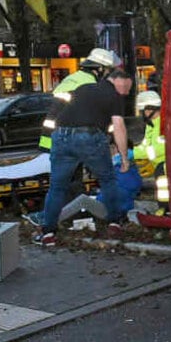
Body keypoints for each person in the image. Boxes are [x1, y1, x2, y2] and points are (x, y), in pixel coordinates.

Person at [33, 69, 132, 246]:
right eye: (127, 87)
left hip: (61, 136)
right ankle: (115, 222)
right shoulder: (113, 95)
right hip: (89, 137)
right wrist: (124, 157)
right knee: (108, 180)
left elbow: (60, 111)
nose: (127, 92)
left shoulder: (83, 88)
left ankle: (48, 232)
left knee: (56, 187)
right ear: (118, 81)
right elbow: (119, 126)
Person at [38, 47, 121, 152]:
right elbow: (101, 119)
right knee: (103, 168)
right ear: (100, 69)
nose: (107, 74)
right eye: (107, 70)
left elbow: (53, 114)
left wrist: (47, 144)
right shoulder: (92, 86)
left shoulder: (70, 79)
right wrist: (112, 140)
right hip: (84, 140)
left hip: (60, 140)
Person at [130, 90, 168, 208]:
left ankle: (167, 211)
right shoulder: (151, 124)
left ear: (149, 109)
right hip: (159, 165)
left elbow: (157, 149)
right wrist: (133, 150)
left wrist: (133, 154)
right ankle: (164, 209)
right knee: (162, 191)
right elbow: (146, 144)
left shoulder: (163, 124)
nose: (142, 114)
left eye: (142, 111)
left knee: (164, 192)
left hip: (166, 166)